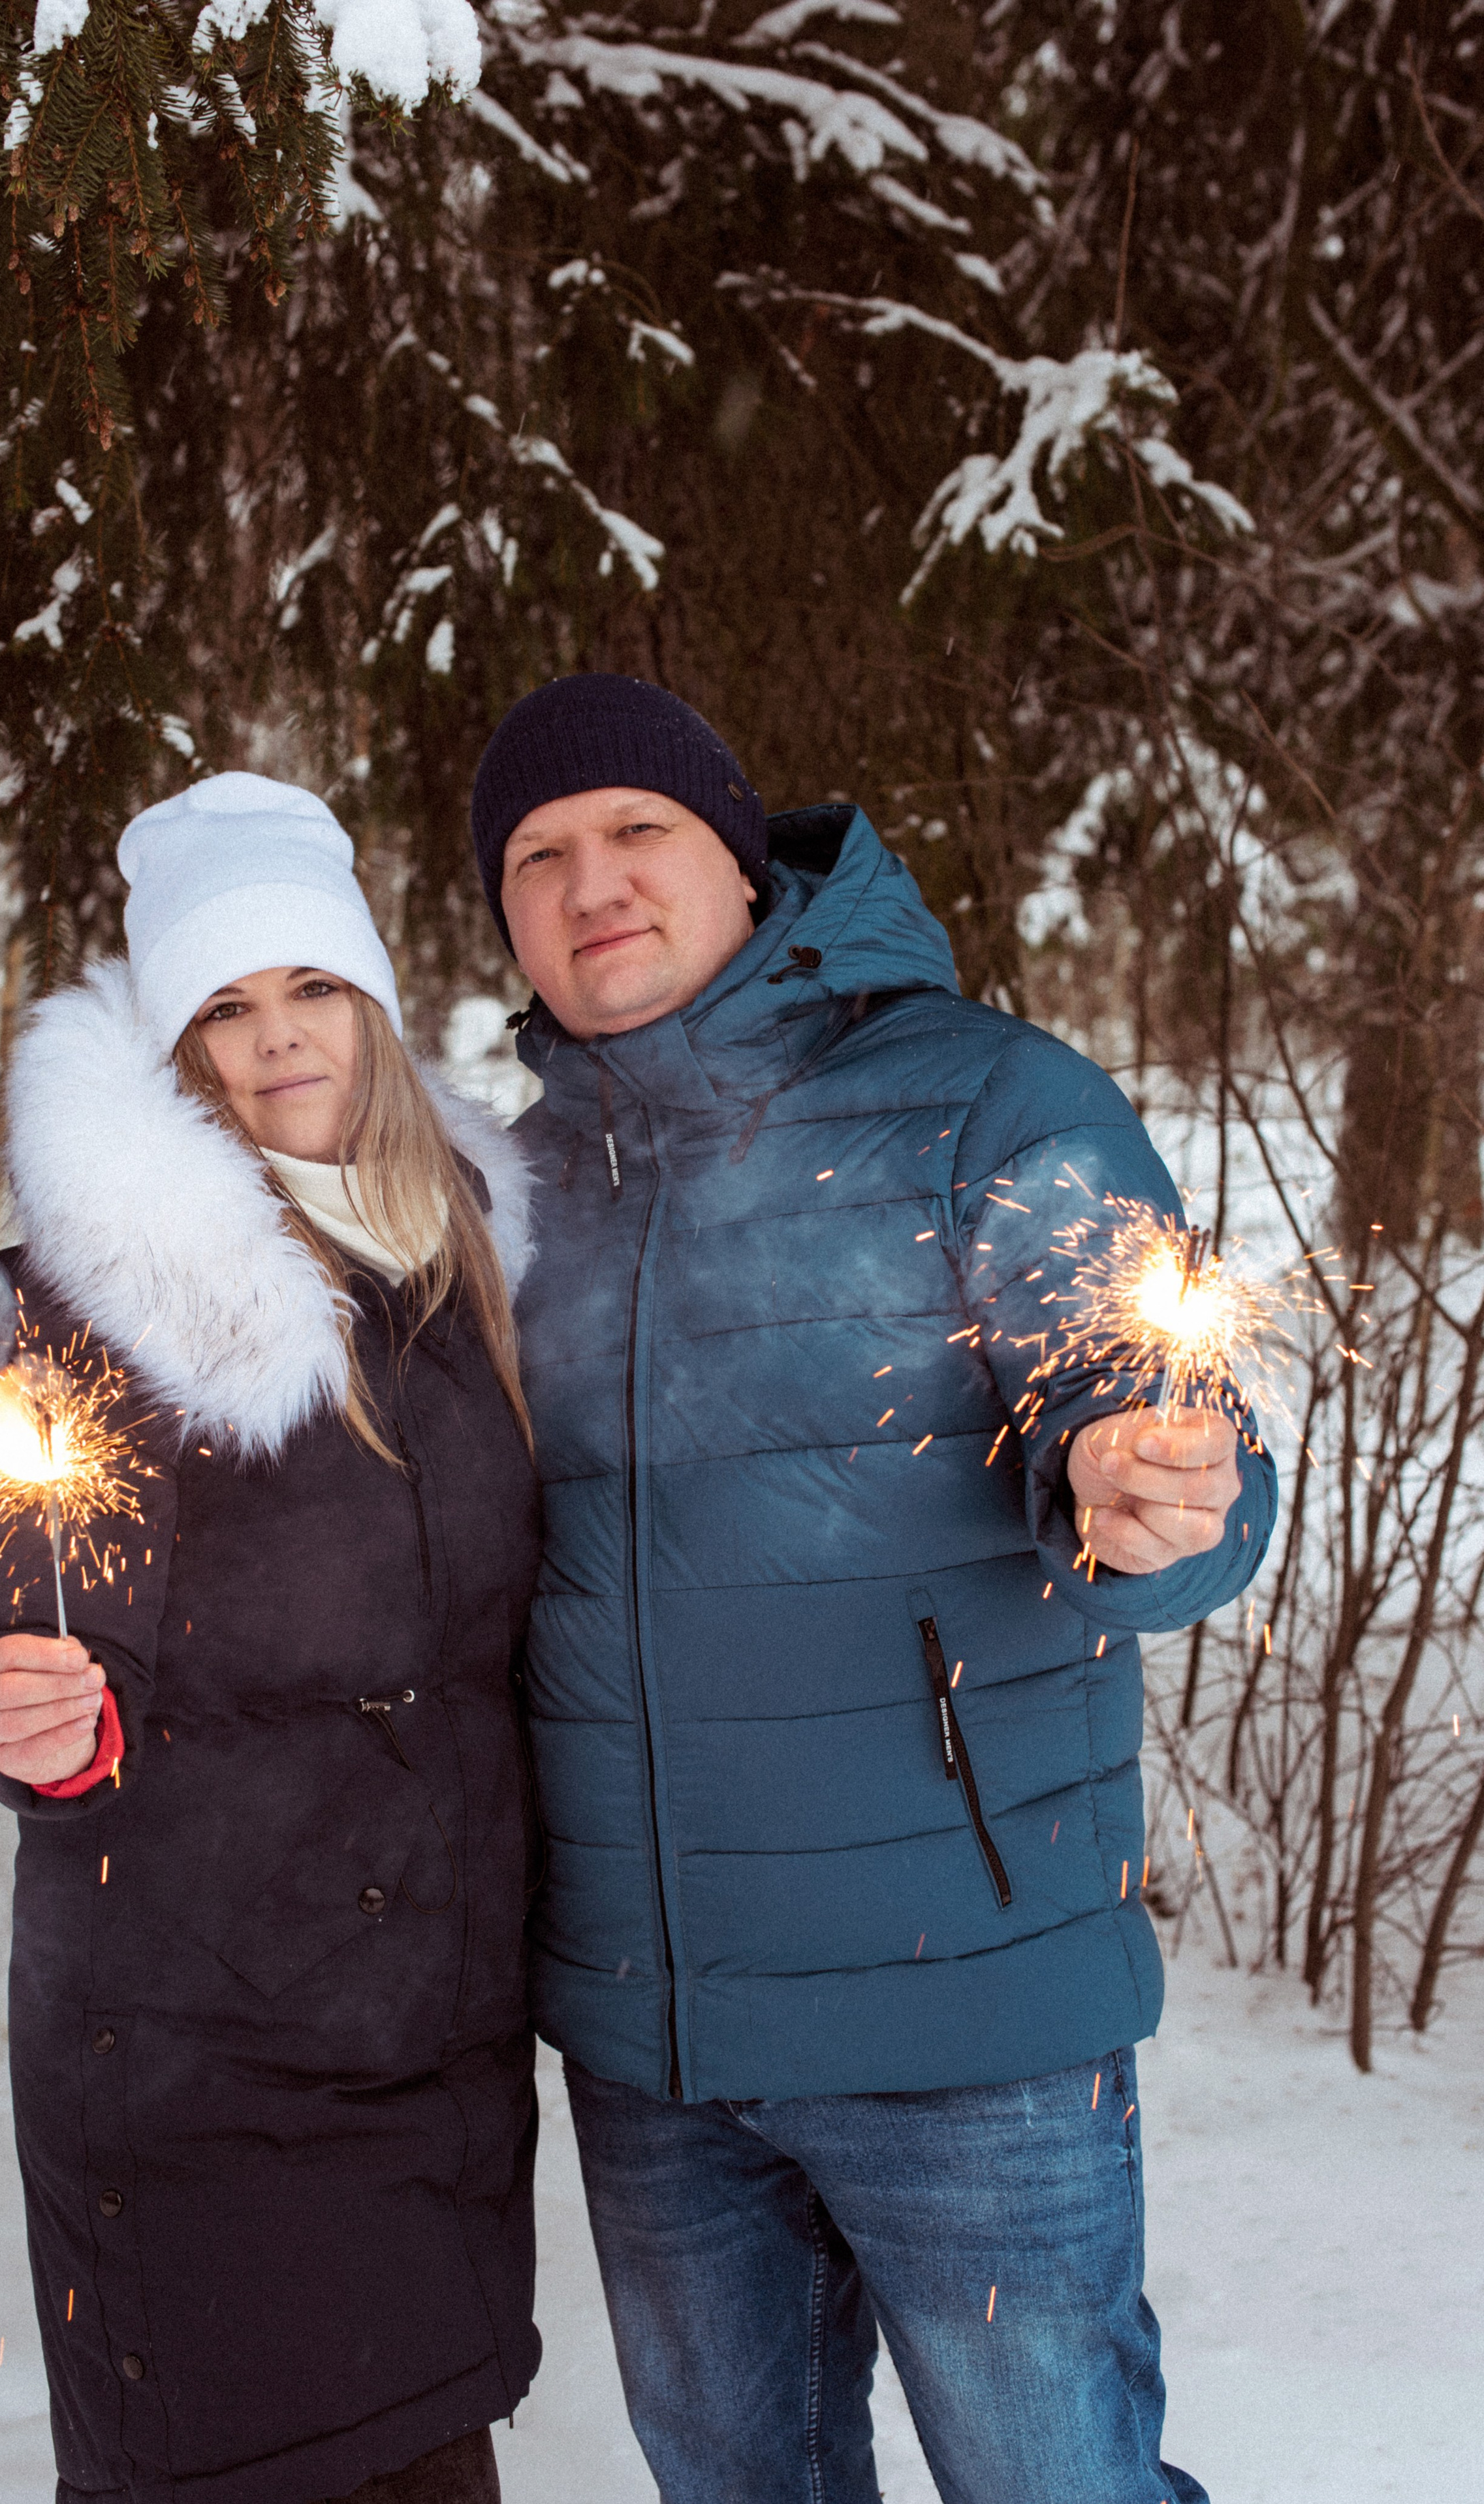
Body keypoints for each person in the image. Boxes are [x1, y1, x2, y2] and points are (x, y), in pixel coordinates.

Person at [468, 675, 1279, 2504]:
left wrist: (1155, 1493)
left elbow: (1155, 1414)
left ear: (739, 856)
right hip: (654, 2042)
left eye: (637, 830)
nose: (593, 884)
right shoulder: (506, 1191)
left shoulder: (989, 1101)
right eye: (538, 856)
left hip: (964, 2022)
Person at [0, 773, 541, 2504]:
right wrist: (26, 1708)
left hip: (430, 2056)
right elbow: (29, 1600)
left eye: (311, 986)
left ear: (372, 1003)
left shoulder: (461, 1263)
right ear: (174, 1046)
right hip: (201, 2062)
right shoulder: (85, 1306)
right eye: (224, 1006)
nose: (278, 1037)